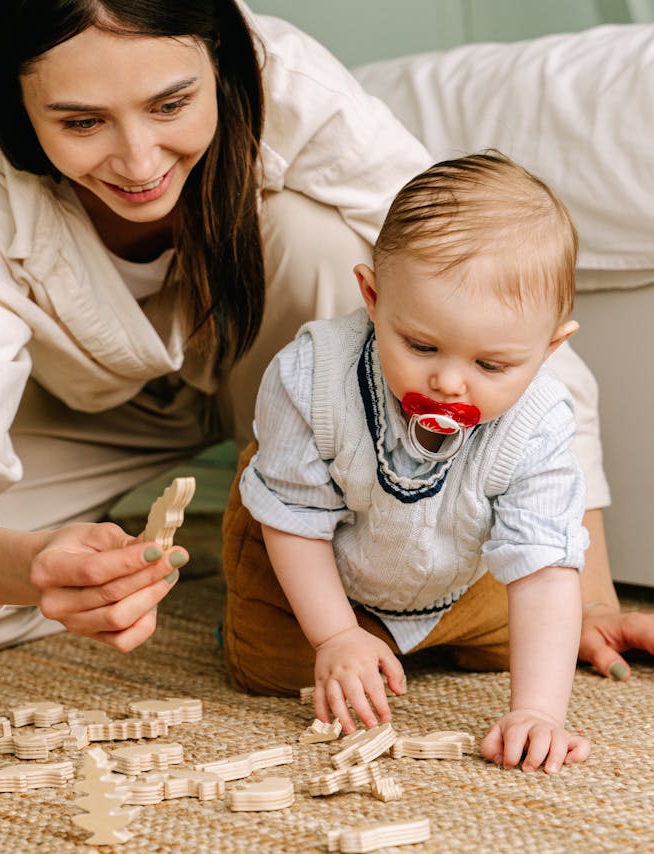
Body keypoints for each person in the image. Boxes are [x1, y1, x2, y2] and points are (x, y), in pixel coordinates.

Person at [0, 0, 654, 695]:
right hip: (82, 406)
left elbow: (497, 316)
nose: (139, 160)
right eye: (81, 124)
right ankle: (232, 548)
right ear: (13, 106)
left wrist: (593, 602)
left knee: (320, 238)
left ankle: (329, 553)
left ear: (220, 62)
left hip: (286, 374)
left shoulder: (290, 85)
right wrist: (33, 568)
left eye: (171, 104)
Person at [225, 153, 595, 772]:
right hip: (309, 550)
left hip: (456, 572)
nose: (450, 382)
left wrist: (539, 712)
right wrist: (337, 636)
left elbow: (544, 564)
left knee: (530, 637)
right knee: (268, 669)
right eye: (421, 346)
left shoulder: (544, 420)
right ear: (372, 296)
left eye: (492, 366)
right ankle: (333, 631)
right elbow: (294, 517)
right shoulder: (310, 376)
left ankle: (424, 639)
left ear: (551, 346)